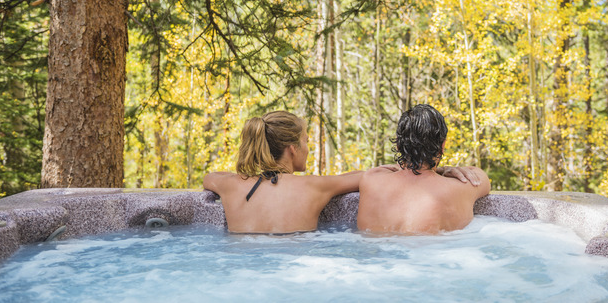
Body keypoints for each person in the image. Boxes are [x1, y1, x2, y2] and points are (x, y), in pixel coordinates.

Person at [203, 110, 478, 234]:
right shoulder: (314, 187)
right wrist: (438, 167)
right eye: (307, 142)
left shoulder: (229, 185)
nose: (309, 148)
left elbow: (209, 178)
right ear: (292, 149)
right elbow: (370, 175)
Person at [357, 104, 491, 234]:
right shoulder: (460, 189)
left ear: (398, 144)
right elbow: (482, 179)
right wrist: (443, 170)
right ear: (442, 145)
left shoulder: (371, 180)